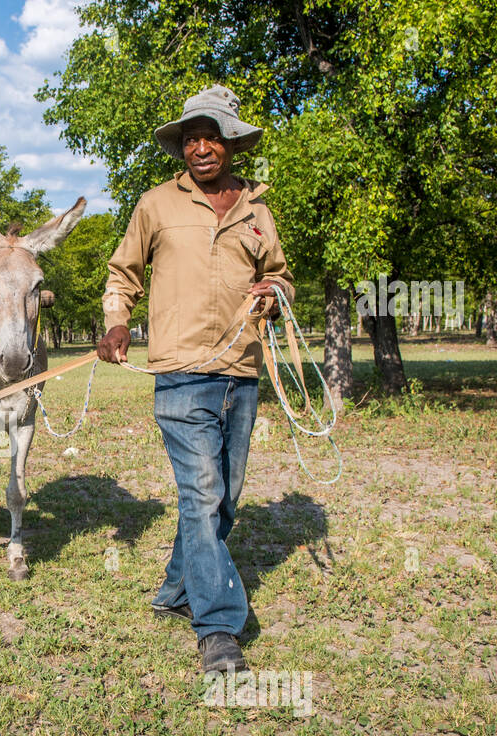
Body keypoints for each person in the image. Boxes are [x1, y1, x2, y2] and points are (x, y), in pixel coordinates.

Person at [96, 84, 295, 674]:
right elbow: (121, 272)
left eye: (211, 136)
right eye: (190, 139)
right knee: (203, 494)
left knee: (223, 499)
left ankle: (177, 587)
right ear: (181, 148)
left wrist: (274, 295)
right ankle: (219, 628)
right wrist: (116, 322)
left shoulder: (259, 214)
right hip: (182, 373)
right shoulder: (155, 204)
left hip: (242, 372)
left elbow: (282, 279)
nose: (200, 147)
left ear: (231, 143)